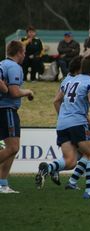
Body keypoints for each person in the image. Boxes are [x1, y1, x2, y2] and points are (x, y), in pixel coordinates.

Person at [35, 55, 90, 200]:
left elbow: (57, 100)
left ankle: (47, 169)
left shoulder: (69, 81)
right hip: (78, 123)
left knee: (70, 161)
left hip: (62, 124)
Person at [0, 41, 34, 193]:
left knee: (11, 149)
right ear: (19, 52)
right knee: (13, 147)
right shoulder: (14, 67)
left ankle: (2, 183)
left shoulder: (2, 64)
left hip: (5, 109)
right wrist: (28, 92)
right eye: (24, 51)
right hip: (6, 109)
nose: (25, 55)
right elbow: (14, 92)